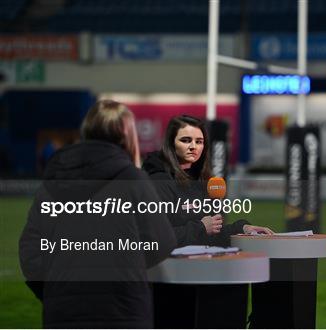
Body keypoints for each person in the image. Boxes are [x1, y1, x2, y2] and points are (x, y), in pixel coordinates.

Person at [19, 100, 177, 328]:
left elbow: (30, 251)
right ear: (126, 135)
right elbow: (162, 243)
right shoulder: (133, 180)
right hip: (123, 311)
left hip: (63, 313)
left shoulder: (54, 180)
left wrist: (56, 292)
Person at [142, 114, 273, 328]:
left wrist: (241, 228)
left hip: (202, 278)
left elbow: (212, 231)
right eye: (185, 140)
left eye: (199, 141)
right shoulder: (158, 181)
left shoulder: (202, 180)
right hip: (171, 287)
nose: (193, 147)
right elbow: (158, 239)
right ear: (170, 143)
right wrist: (201, 226)